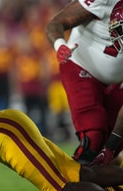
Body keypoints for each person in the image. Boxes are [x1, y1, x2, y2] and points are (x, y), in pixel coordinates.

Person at [45, 0, 123, 164]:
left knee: (111, 148)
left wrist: (110, 148)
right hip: (81, 66)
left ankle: (102, 185)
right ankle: (67, 185)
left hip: (118, 81)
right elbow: (57, 22)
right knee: (93, 137)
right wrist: (60, 45)